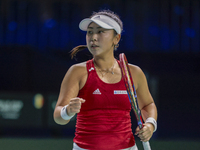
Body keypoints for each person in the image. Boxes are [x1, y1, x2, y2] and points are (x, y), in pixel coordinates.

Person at [54, 9, 157, 150]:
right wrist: (68, 111)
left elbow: (148, 104)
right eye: (90, 32)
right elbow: (58, 116)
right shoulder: (77, 72)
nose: (93, 37)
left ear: (116, 38)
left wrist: (150, 124)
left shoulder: (134, 72)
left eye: (101, 31)